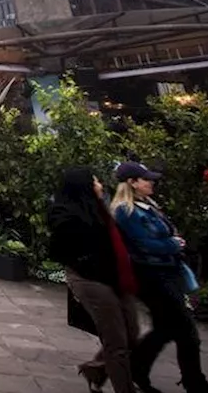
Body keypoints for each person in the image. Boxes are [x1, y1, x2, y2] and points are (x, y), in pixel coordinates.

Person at [112, 162, 208, 393]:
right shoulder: (126, 211)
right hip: (152, 276)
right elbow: (142, 244)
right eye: (146, 179)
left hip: (166, 272)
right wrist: (171, 244)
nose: (151, 182)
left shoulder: (148, 205)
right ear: (132, 182)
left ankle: (137, 368)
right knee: (186, 331)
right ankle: (194, 381)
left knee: (165, 329)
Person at [48, 168, 141, 393]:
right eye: (96, 182)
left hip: (115, 278)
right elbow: (61, 251)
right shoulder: (66, 215)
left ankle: (96, 370)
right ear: (85, 187)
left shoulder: (99, 210)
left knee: (131, 332)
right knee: (116, 342)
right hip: (90, 279)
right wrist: (89, 264)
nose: (100, 185)